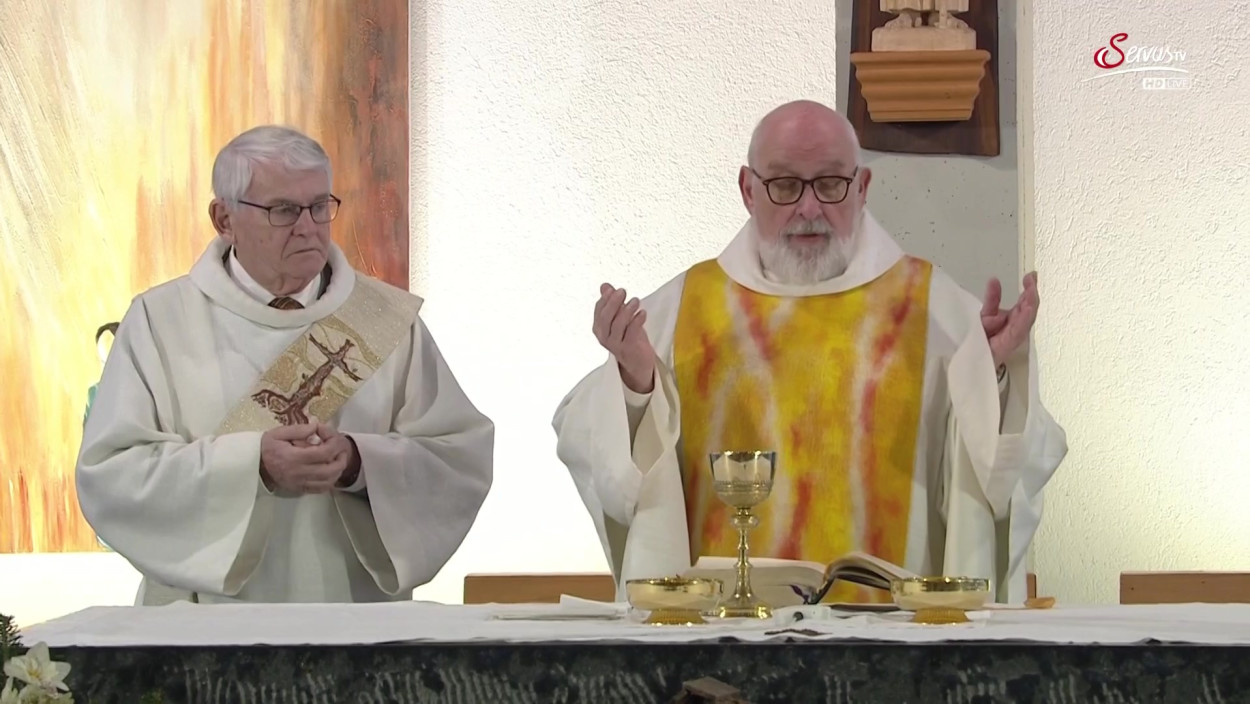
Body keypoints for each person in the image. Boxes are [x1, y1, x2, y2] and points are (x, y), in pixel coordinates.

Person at [552, 100, 1067, 604]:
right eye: (783, 185)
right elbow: (594, 448)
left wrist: (993, 374)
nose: (808, 207)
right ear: (747, 190)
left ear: (862, 188)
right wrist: (637, 386)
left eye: (829, 183)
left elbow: (1001, 473)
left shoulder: (932, 305)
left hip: (891, 645)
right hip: (723, 639)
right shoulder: (685, 305)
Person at [76, 125, 494, 605]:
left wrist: (359, 464)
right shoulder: (159, 321)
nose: (308, 227)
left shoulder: (383, 320)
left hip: (353, 619)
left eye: (319, 206)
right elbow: (111, 474)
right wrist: (253, 468)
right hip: (204, 632)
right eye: (283, 210)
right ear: (223, 218)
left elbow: (457, 456)